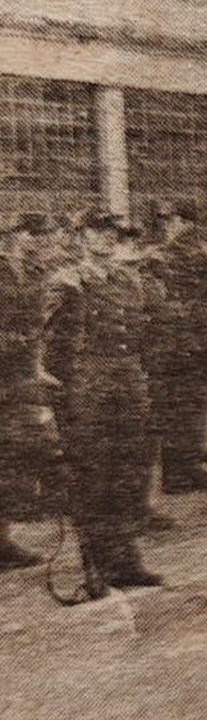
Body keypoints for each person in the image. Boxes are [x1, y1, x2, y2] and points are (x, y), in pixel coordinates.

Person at [43, 210, 166, 595]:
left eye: (111, 232)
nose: (106, 238)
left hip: (128, 380)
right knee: (94, 473)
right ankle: (95, 564)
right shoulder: (66, 281)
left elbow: (147, 328)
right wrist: (47, 397)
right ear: (80, 237)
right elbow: (42, 339)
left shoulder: (129, 280)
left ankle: (125, 558)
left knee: (130, 469)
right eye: (98, 232)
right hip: (88, 384)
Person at [142, 202, 207, 494]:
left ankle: (182, 470)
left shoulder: (178, 252)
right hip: (188, 338)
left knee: (187, 406)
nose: (167, 224)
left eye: (171, 219)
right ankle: (181, 472)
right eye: (165, 219)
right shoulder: (188, 251)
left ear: (184, 221)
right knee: (189, 405)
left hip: (184, 337)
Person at [0, 215, 64, 570]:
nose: (40, 241)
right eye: (34, 235)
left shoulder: (37, 272)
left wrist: (37, 364)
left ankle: (2, 540)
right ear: (17, 235)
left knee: (15, 458)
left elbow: (38, 324)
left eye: (44, 235)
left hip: (19, 377)